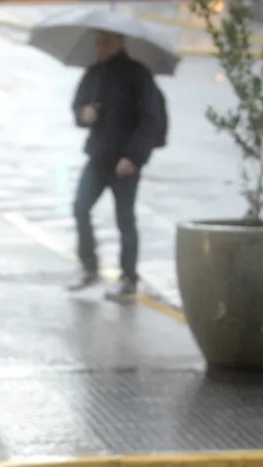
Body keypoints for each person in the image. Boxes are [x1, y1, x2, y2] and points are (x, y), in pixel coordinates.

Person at [68, 29, 160, 300]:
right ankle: (89, 267)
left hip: (125, 162)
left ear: (120, 42)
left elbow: (152, 120)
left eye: (106, 42)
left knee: (125, 219)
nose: (100, 47)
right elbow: (77, 107)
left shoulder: (138, 75)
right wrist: (84, 114)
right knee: (80, 206)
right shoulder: (94, 74)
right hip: (98, 157)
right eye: (97, 42)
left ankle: (129, 277)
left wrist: (133, 157)